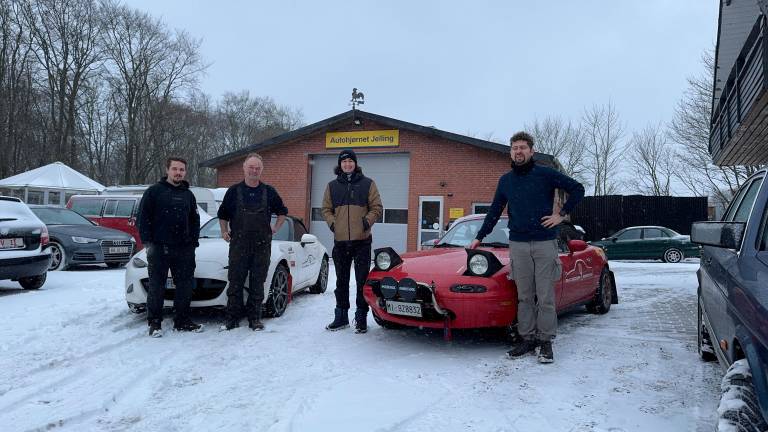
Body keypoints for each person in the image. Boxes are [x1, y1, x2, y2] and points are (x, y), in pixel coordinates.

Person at [469, 132, 584, 363]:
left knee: (545, 297)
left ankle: (545, 342)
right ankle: (527, 339)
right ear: (510, 152)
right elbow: (494, 212)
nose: (518, 151)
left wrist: (560, 216)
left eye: (522, 147)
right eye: (514, 148)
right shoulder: (506, 181)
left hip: (544, 242)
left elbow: (578, 189)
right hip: (518, 244)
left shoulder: (546, 174)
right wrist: (480, 237)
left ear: (531, 151)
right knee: (524, 296)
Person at [218, 153, 288, 331]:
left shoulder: (269, 191)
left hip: (262, 245)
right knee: (235, 282)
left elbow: (282, 212)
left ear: (261, 170)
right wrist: (224, 231)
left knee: (258, 283)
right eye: (251, 167)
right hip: (238, 245)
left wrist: (275, 227)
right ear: (244, 168)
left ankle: (254, 318)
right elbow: (223, 214)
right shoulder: (233, 191)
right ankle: (232, 318)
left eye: (257, 168)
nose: (254, 171)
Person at [138, 157, 203, 338]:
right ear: (167, 170)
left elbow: (195, 220)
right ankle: (155, 323)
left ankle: (182, 321)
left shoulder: (188, 195)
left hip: (184, 249)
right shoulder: (154, 192)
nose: (178, 173)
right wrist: (148, 243)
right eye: (175, 169)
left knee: (184, 286)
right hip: (159, 248)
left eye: (181, 170)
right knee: (157, 286)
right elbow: (143, 219)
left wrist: (193, 242)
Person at [322, 149, 383, 333]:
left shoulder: (368, 184)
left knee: (362, 281)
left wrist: (366, 222)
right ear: (339, 165)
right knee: (341, 281)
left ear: (355, 164)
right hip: (340, 242)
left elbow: (377, 207)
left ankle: (361, 318)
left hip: (362, 242)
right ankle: (341, 317)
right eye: (344, 161)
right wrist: (334, 225)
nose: (347, 164)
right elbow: (326, 209)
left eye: (350, 161)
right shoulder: (332, 186)